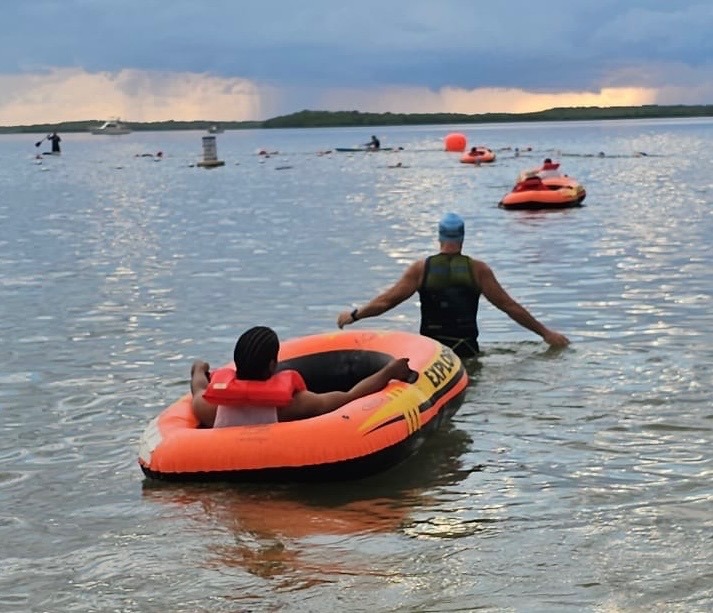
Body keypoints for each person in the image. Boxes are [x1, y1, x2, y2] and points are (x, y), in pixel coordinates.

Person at [337, 213, 570, 358]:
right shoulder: (478, 270)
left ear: (439, 238)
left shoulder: (421, 269)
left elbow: (386, 302)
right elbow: (509, 306)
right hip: (467, 350)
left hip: (433, 354)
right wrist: (546, 333)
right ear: (462, 238)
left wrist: (355, 315)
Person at [189, 326, 414, 428]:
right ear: (272, 365)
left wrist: (200, 367)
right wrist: (389, 372)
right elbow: (351, 396)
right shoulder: (295, 406)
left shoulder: (211, 408)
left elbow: (198, 385)